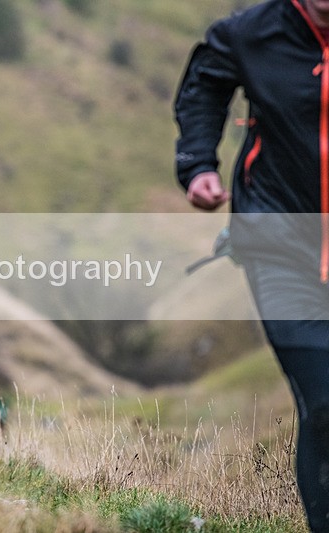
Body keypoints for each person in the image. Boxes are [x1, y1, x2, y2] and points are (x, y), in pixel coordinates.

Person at [175, 1, 329, 530]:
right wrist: (197, 164)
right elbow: (204, 86)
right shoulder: (248, 34)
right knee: (326, 401)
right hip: (279, 245)